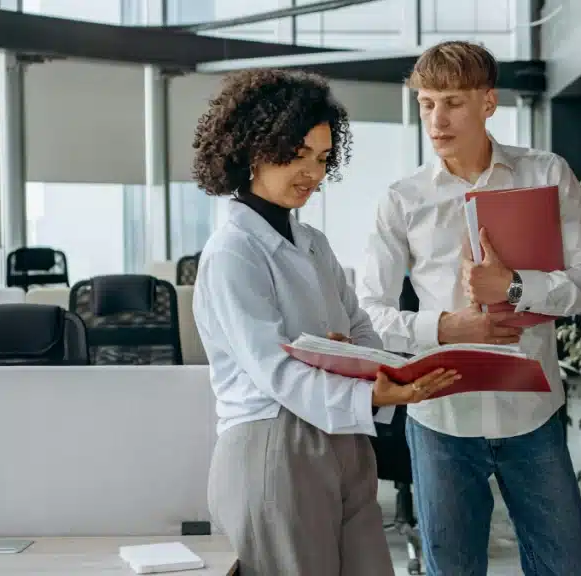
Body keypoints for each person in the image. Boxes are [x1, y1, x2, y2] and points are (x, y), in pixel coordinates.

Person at [358, 41, 581, 576]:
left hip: (532, 414)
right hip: (440, 418)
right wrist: (450, 326)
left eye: (452, 102)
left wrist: (515, 286)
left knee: (566, 568)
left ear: (488, 103)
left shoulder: (545, 173)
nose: (437, 118)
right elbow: (371, 315)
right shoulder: (401, 199)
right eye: (426, 103)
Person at [189, 69, 460, 576]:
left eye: (321, 158)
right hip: (276, 445)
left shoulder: (313, 243)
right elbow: (276, 369)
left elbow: (361, 330)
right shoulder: (233, 253)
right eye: (296, 156)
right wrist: (370, 389)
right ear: (250, 150)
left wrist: (364, 365)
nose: (312, 173)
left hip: (345, 442)